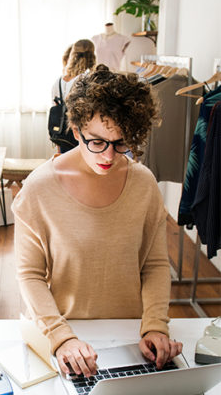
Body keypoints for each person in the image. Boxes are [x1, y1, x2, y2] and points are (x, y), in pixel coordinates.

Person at [14, 65, 182, 378]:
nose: (108, 156)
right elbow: (29, 274)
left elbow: (155, 265)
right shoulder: (38, 189)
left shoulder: (143, 184)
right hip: (65, 336)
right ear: (76, 131)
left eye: (121, 143)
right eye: (97, 141)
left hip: (132, 337)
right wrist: (61, 337)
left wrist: (155, 327)